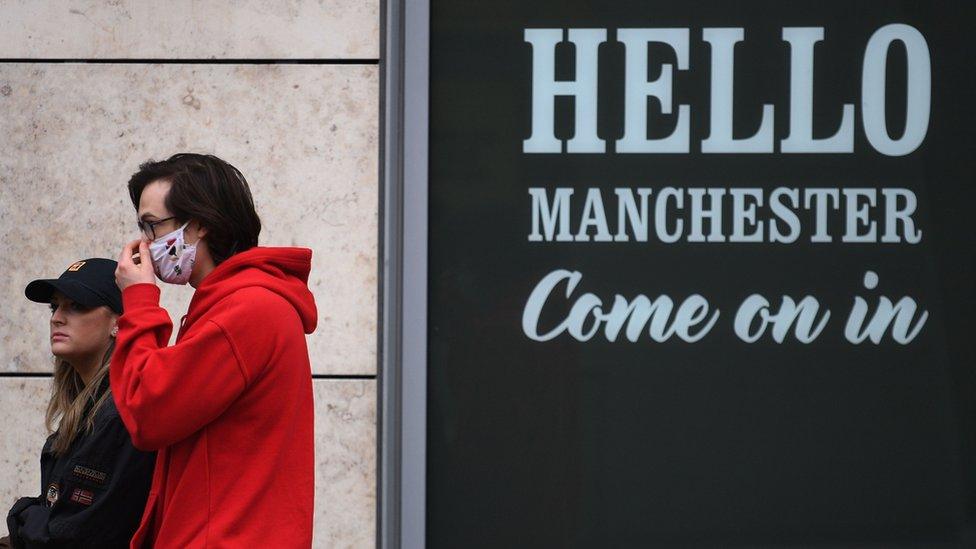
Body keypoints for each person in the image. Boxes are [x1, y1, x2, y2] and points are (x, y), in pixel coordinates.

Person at [111, 153, 317, 548]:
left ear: (200, 224)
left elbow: (146, 410)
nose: (144, 244)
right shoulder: (235, 305)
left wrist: (139, 300)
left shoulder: (246, 310)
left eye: (152, 226)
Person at [5, 258, 155, 548]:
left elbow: (72, 534)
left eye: (77, 306)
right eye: (55, 306)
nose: (57, 317)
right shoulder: (88, 411)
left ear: (118, 324)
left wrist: (22, 514)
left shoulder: (121, 413)